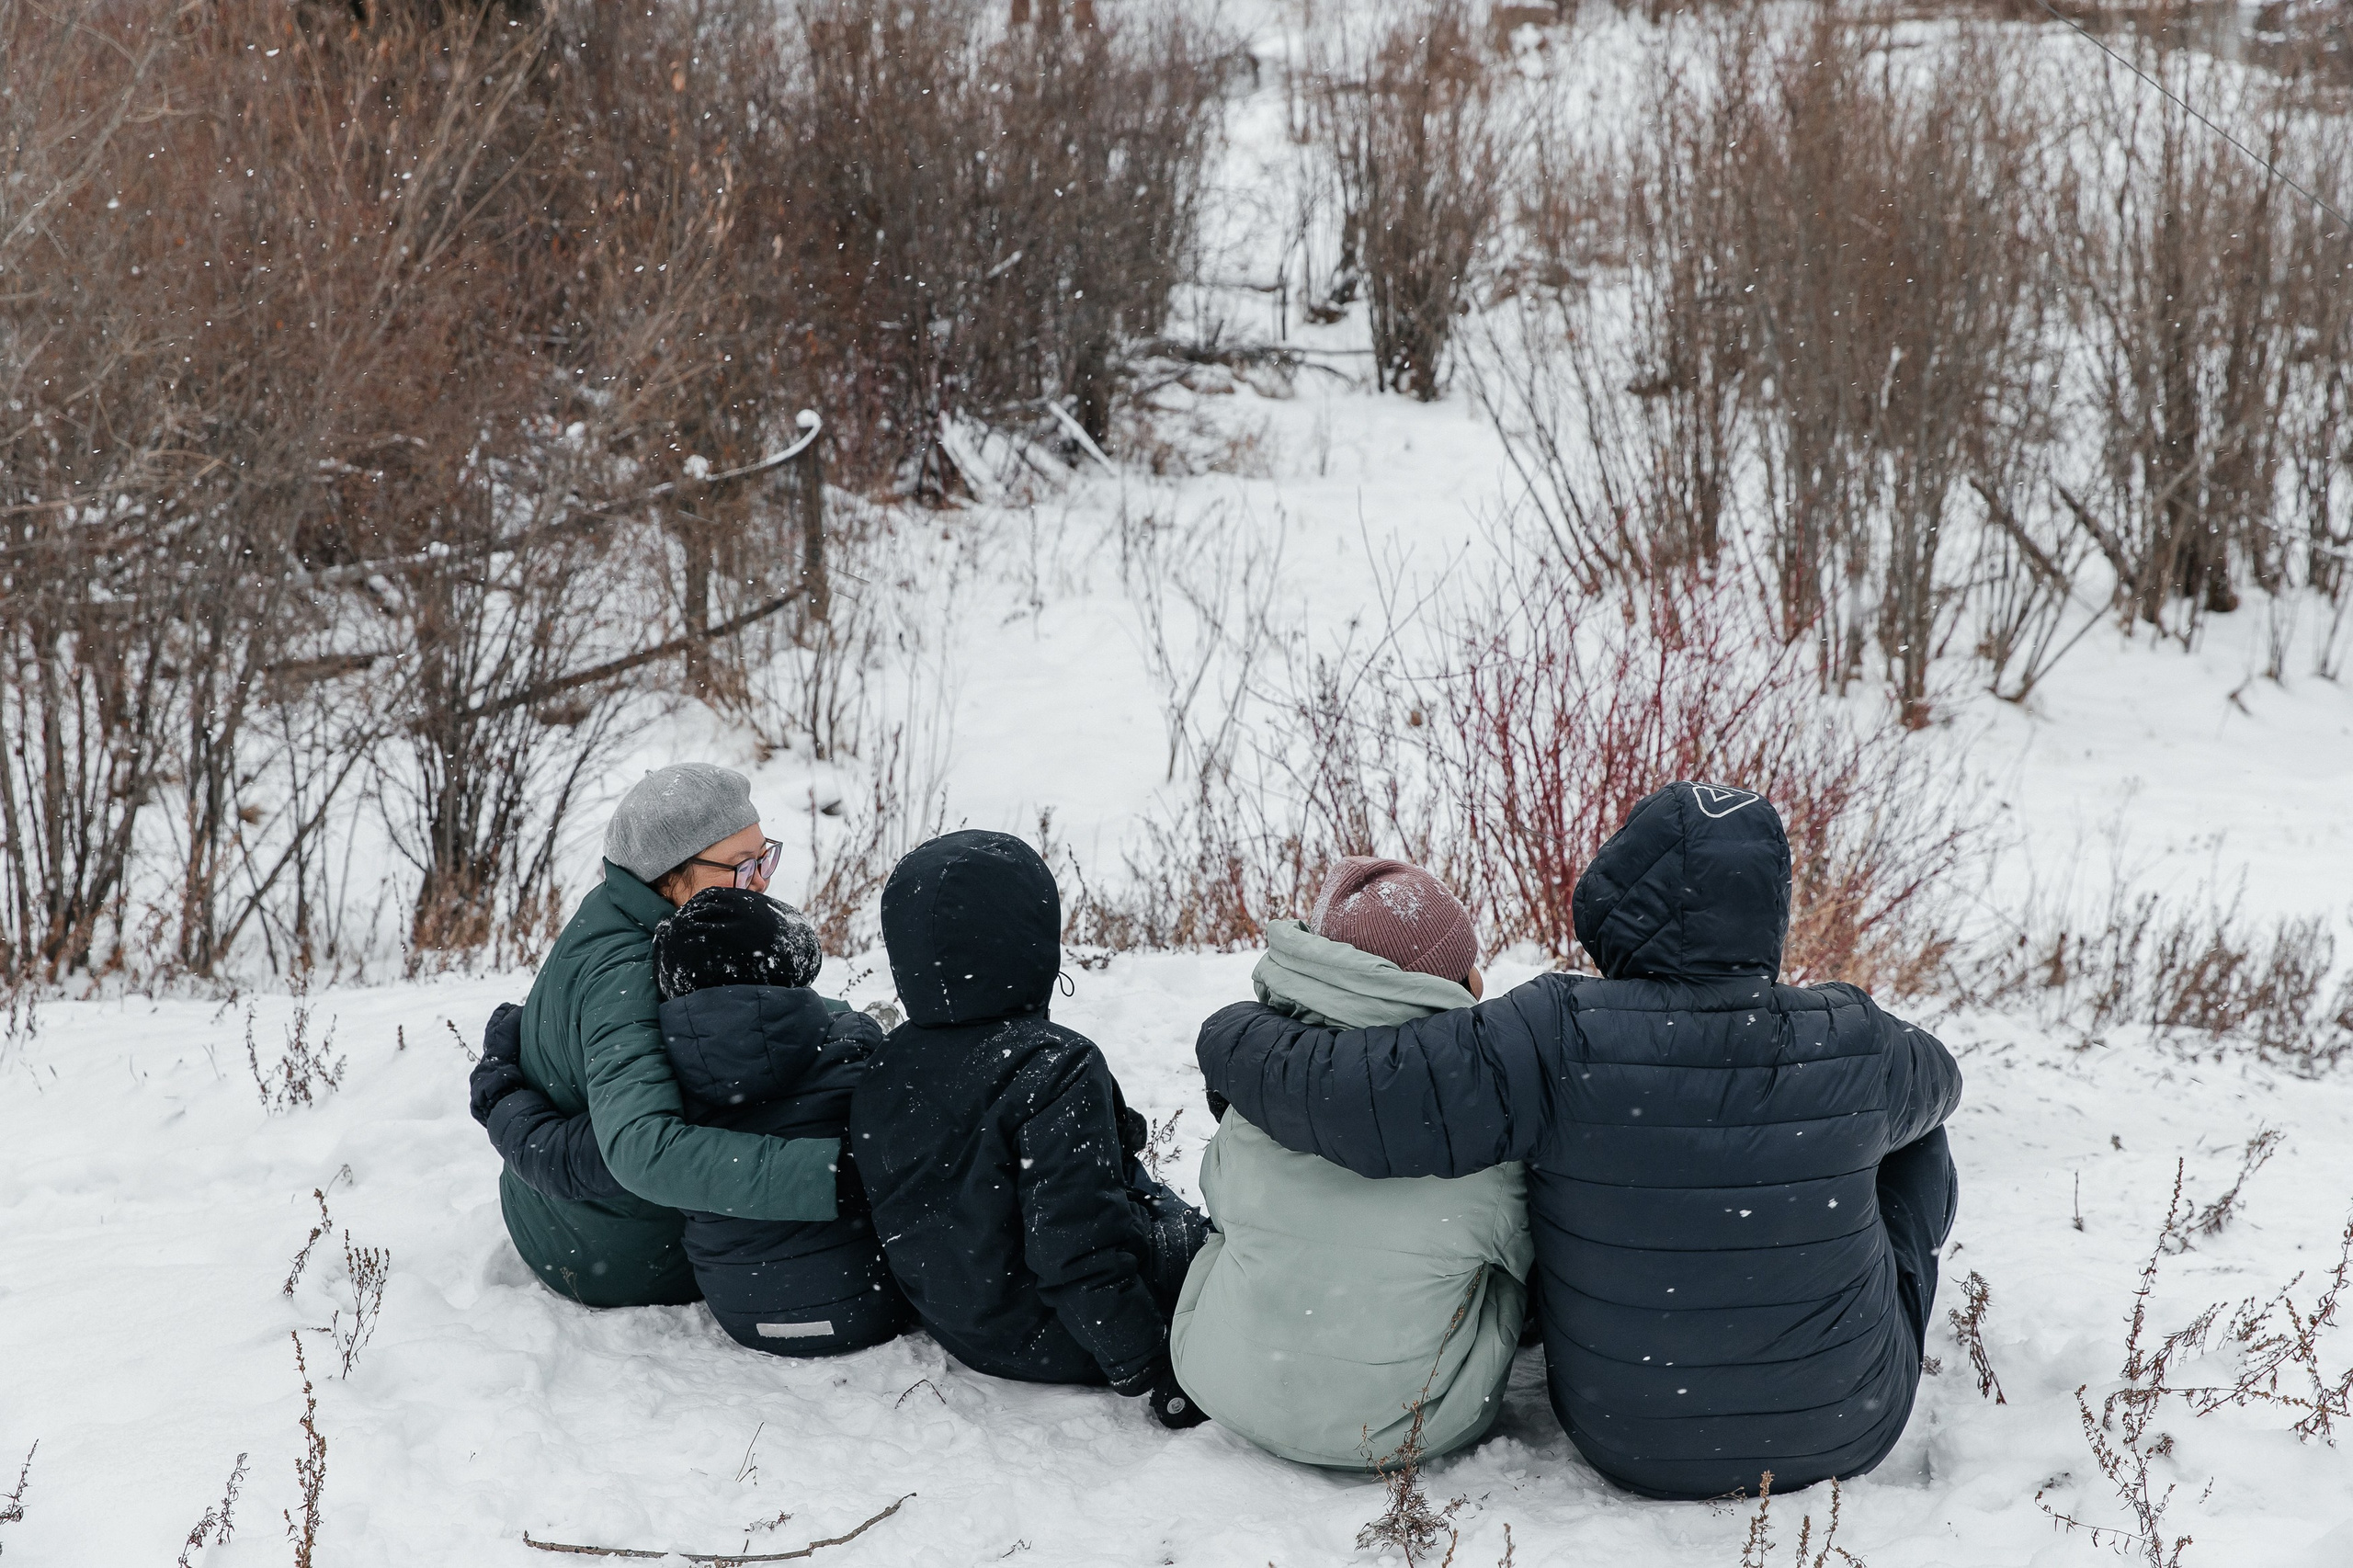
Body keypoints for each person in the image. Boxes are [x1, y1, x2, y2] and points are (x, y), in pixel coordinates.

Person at [1196, 782, 1961, 1500]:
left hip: (1629, 1434)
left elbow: (1356, 1091)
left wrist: (1233, 1032)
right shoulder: (1855, 1035)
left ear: (1623, 894)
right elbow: (1943, 1083)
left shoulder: (1555, 1032)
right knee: (1919, 1142)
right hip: (1850, 1424)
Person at [1169, 857, 1533, 1469]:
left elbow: (1223, 1215)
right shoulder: (1480, 1125)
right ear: (1449, 980)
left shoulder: (1258, 1090)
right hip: (1408, 1427)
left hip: (1226, 1386)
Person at [847, 829, 1211, 1429]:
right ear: (1030, 940)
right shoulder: (1053, 1067)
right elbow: (1078, 1247)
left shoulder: (886, 1064)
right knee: (1220, 1249)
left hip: (964, 1325)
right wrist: (1146, 1366)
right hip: (1058, 1338)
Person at [467, 763, 851, 1308]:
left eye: (764, 857)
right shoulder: (632, 973)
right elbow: (639, 1148)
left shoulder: (621, 908)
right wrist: (835, 1177)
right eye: (742, 867)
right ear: (669, 874)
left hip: (554, 1215)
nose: (762, 881)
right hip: (613, 1255)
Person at [474, 887, 912, 1356]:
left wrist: (498, 1089)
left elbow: (554, 1157)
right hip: (875, 1304)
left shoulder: (665, 1098)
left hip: (745, 1316)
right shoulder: (848, 1046)